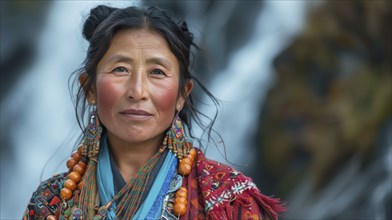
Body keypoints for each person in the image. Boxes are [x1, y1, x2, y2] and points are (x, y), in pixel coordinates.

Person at [24, 5, 285, 220]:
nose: (138, 91)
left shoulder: (229, 201)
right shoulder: (51, 203)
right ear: (90, 87)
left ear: (183, 94)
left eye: (157, 72)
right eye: (120, 70)